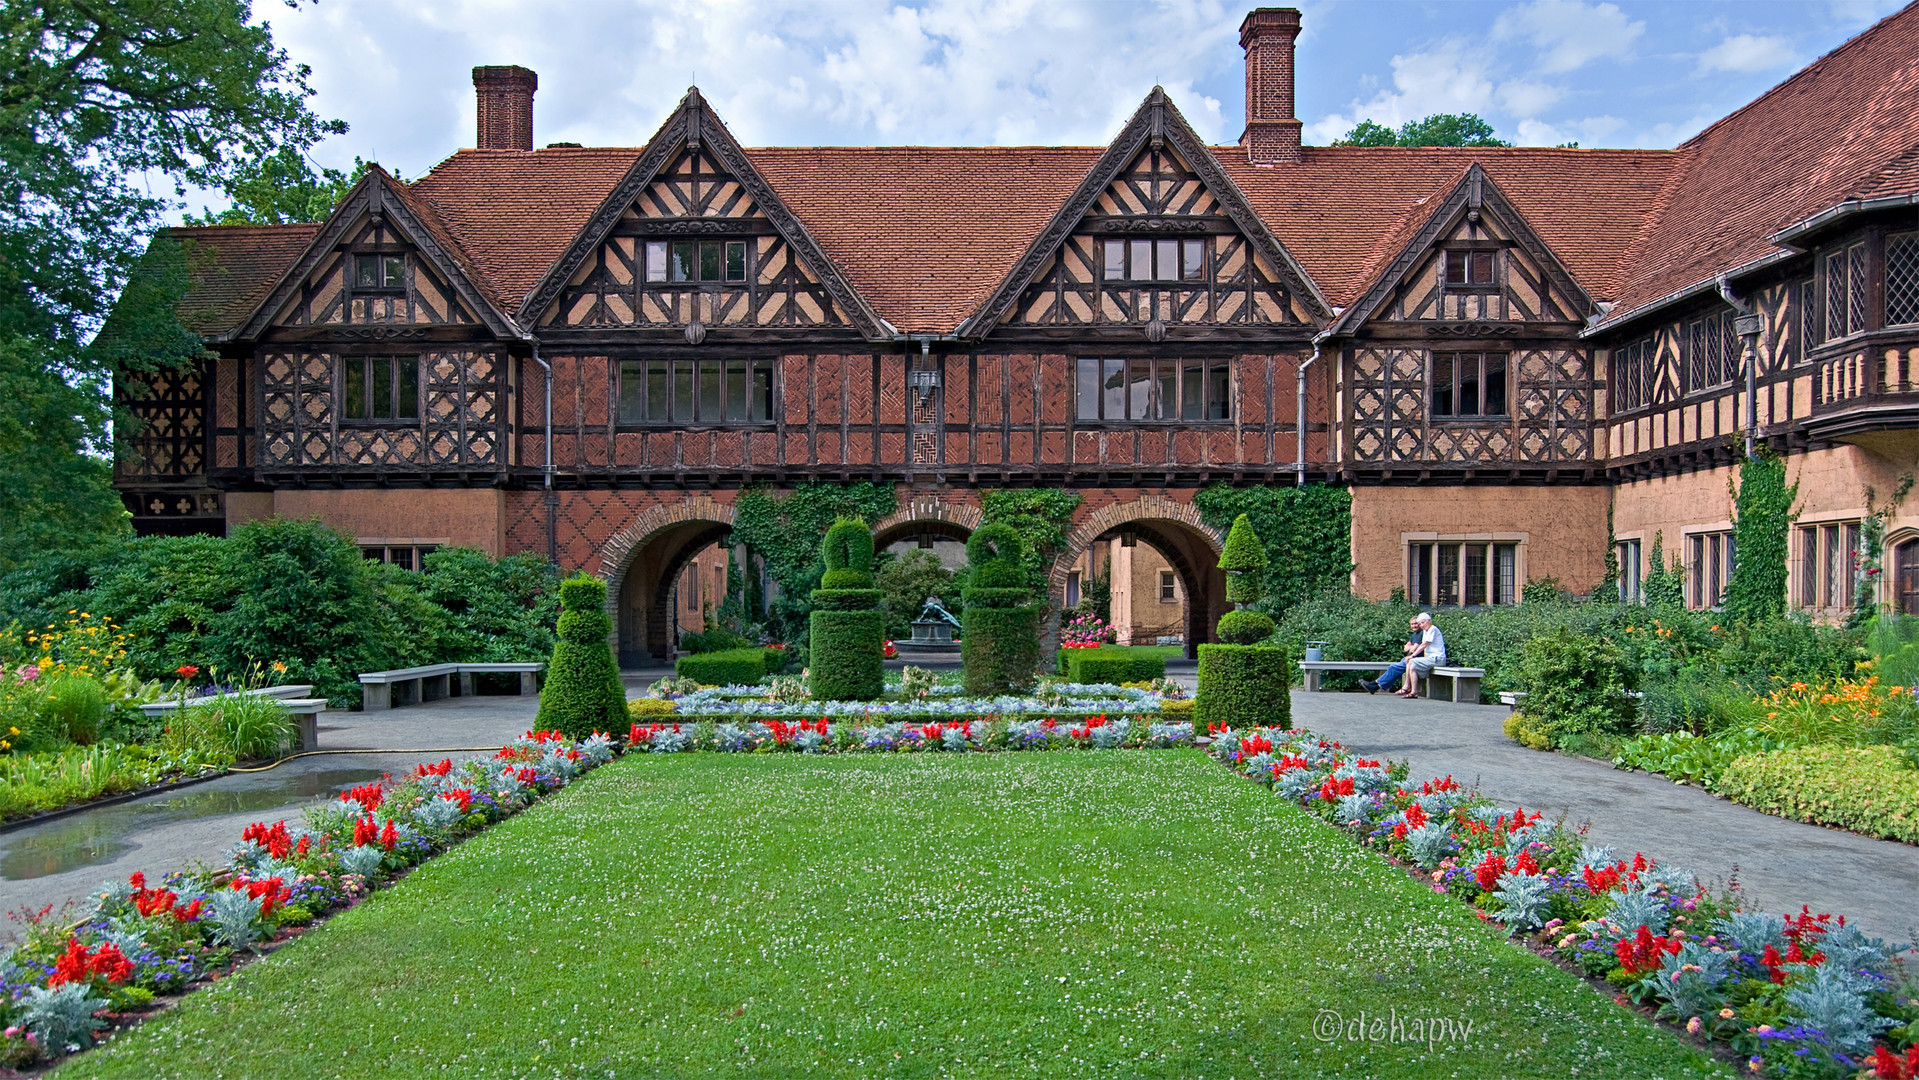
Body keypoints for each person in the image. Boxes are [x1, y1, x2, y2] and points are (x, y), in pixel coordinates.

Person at [1362, 612, 1447, 697]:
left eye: (1420, 623)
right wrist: (1410, 649)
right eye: (1415, 624)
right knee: (1398, 666)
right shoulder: (1421, 632)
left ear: (1429, 621)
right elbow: (1406, 647)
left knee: (1395, 667)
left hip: (1427, 658)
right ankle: (1376, 685)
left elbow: (1420, 646)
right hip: (1423, 658)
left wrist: (1412, 653)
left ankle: (1376, 685)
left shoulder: (1430, 630)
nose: (1420, 625)